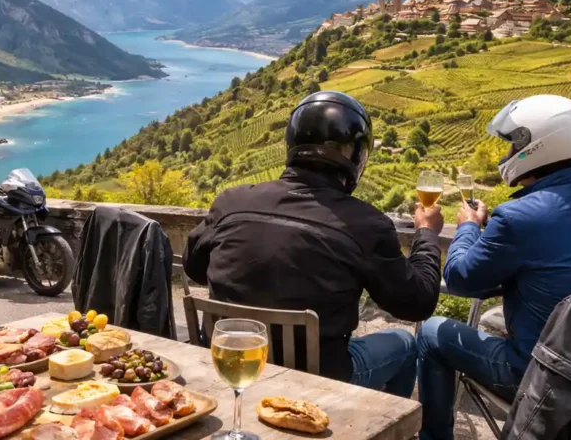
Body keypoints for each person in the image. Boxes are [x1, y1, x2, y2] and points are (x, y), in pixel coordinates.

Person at [416, 95, 571, 440]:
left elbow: (462, 279)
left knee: (433, 332)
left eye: (511, 146)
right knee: (495, 319)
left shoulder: (519, 217)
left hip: (547, 381)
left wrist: (468, 226)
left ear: (537, 147)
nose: (505, 156)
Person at [183, 91, 443, 396]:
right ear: (357, 156)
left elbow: (195, 268)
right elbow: (417, 303)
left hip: (232, 368)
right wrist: (426, 233)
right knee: (404, 344)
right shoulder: (366, 225)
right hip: (317, 385)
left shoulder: (230, 203)